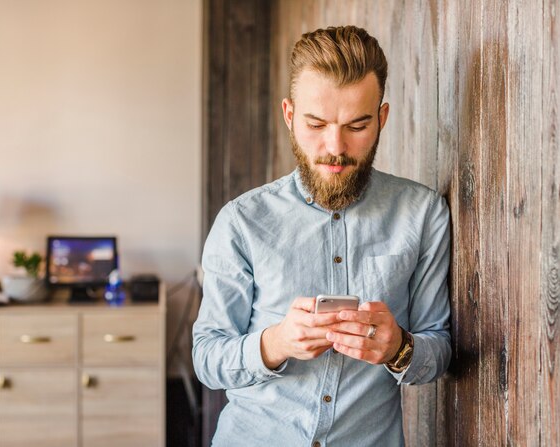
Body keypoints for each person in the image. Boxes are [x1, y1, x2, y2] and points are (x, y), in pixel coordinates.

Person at [192, 25, 451, 447]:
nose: (335, 146)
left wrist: (398, 347)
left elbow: (438, 346)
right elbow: (206, 358)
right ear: (290, 116)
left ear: (382, 118)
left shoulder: (422, 215)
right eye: (316, 124)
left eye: (357, 125)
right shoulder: (241, 221)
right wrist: (274, 343)